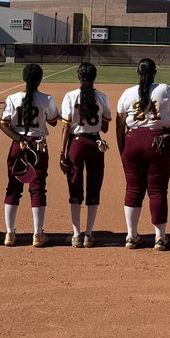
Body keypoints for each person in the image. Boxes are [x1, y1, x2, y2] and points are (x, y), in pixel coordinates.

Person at [115, 58, 170, 250]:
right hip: (158, 142)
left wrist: (122, 149)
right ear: (154, 72)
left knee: (133, 190)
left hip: (132, 141)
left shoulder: (127, 93)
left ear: (137, 72)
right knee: (158, 191)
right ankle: (159, 238)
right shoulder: (164, 88)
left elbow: (120, 124)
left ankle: (131, 235)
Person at [0, 63, 59, 246]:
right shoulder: (46, 98)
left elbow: (3, 124)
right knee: (38, 188)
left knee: (13, 188)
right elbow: (54, 121)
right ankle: (37, 234)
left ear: (23, 79)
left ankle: (9, 233)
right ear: (40, 80)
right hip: (38, 145)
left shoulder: (12, 98)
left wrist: (19, 138)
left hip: (18, 145)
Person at [58, 62, 112, 247]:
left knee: (75, 187)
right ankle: (88, 234)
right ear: (95, 77)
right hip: (96, 143)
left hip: (76, 144)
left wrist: (62, 153)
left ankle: (75, 235)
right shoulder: (102, 97)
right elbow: (105, 127)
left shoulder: (70, 96)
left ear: (78, 77)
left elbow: (65, 127)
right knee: (94, 186)